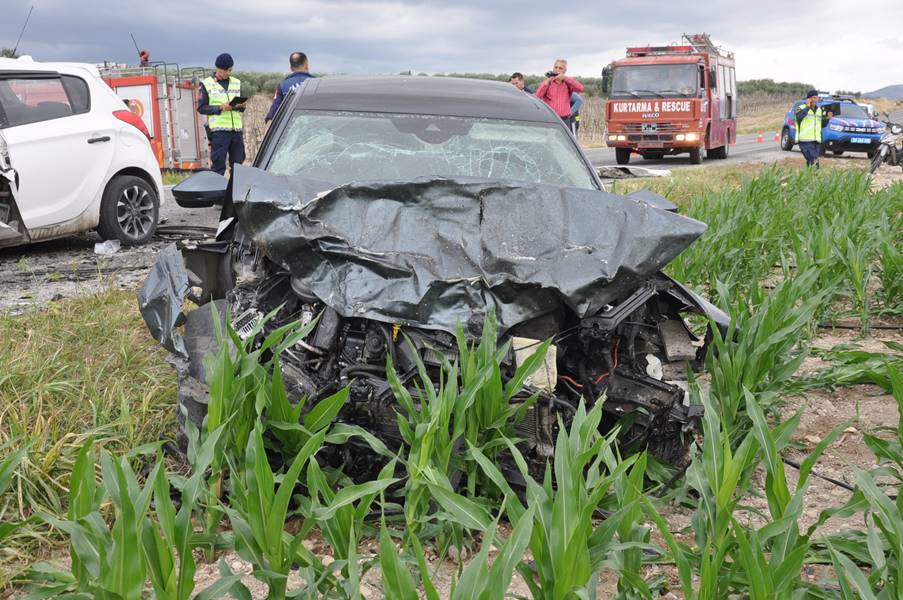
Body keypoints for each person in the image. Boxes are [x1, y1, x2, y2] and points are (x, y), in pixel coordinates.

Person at [197, 53, 246, 175]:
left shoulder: (237, 82)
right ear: (217, 68)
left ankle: (235, 193)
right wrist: (220, 108)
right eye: (226, 70)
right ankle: (217, 193)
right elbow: (201, 108)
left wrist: (241, 106)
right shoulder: (206, 84)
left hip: (236, 131)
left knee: (239, 166)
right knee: (218, 166)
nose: (228, 73)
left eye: (230, 70)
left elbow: (241, 104)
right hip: (219, 132)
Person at [265, 52, 314, 123]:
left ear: (291, 68)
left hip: (290, 129)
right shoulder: (317, 83)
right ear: (306, 66)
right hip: (313, 127)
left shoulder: (283, 85)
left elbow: (274, 110)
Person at [535, 59, 584, 124]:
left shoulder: (567, 83)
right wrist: (546, 83)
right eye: (556, 67)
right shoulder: (548, 82)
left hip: (564, 119)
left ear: (565, 71)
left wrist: (565, 78)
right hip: (549, 118)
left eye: (560, 68)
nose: (557, 69)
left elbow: (580, 88)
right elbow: (537, 96)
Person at [794, 90, 833, 168]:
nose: (815, 100)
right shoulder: (800, 108)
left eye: (816, 98)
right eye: (813, 98)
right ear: (808, 99)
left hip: (816, 141)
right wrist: (807, 107)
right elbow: (799, 117)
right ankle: (816, 177)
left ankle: (809, 178)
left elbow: (821, 124)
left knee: (811, 162)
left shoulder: (819, 110)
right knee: (814, 162)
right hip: (805, 140)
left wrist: (828, 118)